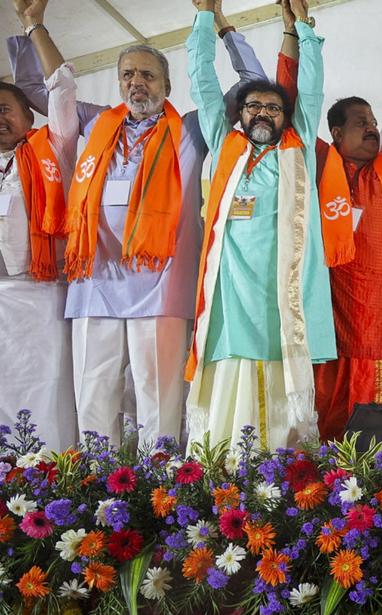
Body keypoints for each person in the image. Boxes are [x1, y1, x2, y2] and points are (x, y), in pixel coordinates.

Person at [9, 0, 267, 446]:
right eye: (127, 74)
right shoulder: (96, 122)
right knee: (93, 397)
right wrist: (35, 26)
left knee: (157, 399)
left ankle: (159, 484)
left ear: (167, 85)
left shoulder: (192, 128)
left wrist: (222, 28)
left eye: (147, 75)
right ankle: (96, 482)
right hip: (94, 281)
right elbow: (40, 88)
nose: (136, 82)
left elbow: (253, 86)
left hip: (161, 285)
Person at [184, 0, 336, 450]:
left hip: (282, 297)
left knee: (280, 380)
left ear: (287, 118)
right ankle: (225, 465)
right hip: (232, 296)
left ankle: (283, 470)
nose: (264, 113)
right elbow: (202, 81)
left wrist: (304, 28)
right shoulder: (224, 144)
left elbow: (311, 88)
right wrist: (205, 17)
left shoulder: (297, 149)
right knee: (231, 385)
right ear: (240, 113)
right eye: (254, 106)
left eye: (274, 107)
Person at [274, 9, 382, 441]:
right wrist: (294, 34)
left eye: (373, 123)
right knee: (332, 411)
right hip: (334, 309)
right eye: (361, 123)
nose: (372, 129)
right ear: (336, 133)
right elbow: (290, 103)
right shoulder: (319, 160)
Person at [0, 60, 74, 448]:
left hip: (41, 291)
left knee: (46, 384)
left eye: (4, 109)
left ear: (29, 115)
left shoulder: (51, 149)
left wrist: (35, 31)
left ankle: (51, 465)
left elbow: (63, 93)